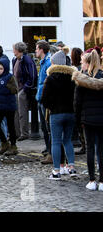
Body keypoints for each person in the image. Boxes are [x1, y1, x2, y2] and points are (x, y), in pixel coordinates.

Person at [40, 50, 77, 180]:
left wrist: (52, 107)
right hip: (70, 113)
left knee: (56, 141)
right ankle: (71, 167)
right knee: (67, 140)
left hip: (56, 114)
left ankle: (56, 171)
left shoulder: (51, 78)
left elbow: (43, 99)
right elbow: (76, 97)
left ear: (54, 63)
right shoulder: (72, 78)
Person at [73, 50, 103, 191]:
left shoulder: (82, 80)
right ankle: (102, 181)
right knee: (101, 150)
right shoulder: (102, 77)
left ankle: (92, 180)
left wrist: (78, 120)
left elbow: (77, 103)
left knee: (90, 149)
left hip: (88, 119)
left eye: (82, 62)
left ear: (87, 63)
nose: (81, 64)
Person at [0, 57, 18, 155]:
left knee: (11, 126)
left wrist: (4, 88)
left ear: (5, 68)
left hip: (9, 105)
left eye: (1, 69)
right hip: (0, 105)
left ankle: (13, 146)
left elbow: (15, 89)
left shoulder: (10, 77)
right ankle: (4, 142)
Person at [12, 42, 38, 141]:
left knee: (22, 112)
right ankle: (17, 132)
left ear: (18, 50)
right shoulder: (15, 60)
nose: (13, 51)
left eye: (14, 49)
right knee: (16, 112)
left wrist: (26, 88)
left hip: (23, 89)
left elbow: (32, 76)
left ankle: (24, 133)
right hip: (17, 88)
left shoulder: (27, 60)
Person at [35, 40, 52, 162]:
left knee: (47, 127)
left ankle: (51, 153)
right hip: (40, 98)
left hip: (45, 99)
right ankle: (48, 149)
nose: (35, 51)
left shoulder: (48, 63)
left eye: (36, 48)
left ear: (41, 49)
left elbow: (47, 82)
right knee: (44, 127)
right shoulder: (42, 62)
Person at [71, 47, 86, 155]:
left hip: (75, 99)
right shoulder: (81, 69)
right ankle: (84, 145)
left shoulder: (74, 70)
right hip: (78, 99)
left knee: (80, 124)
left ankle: (84, 145)